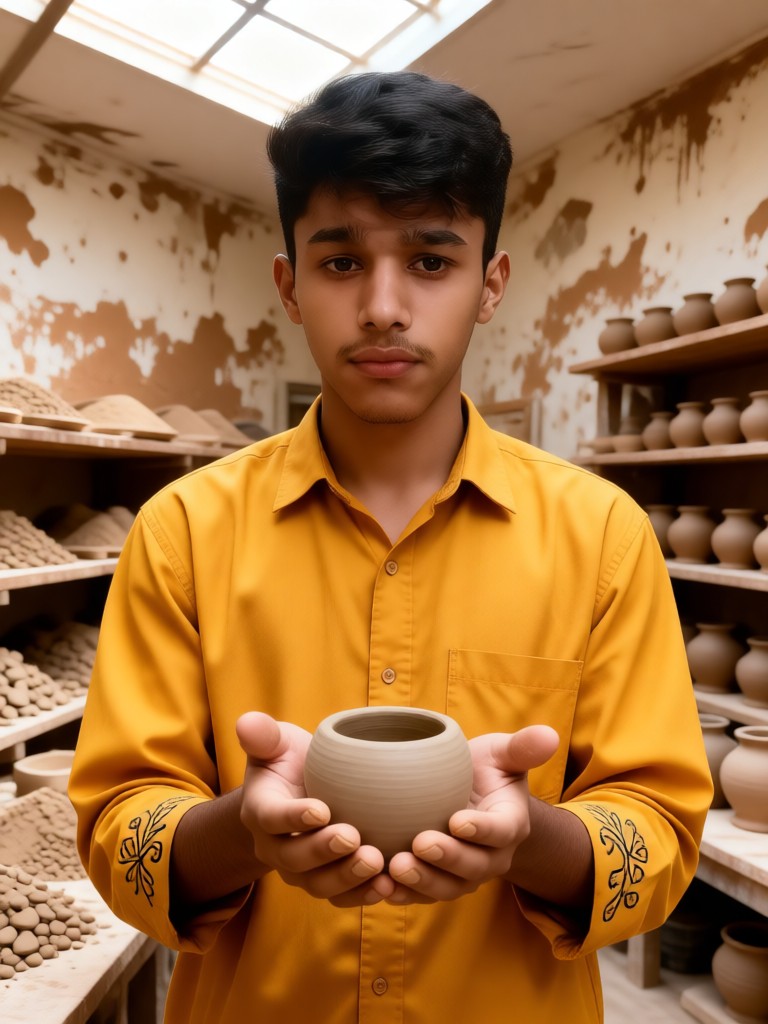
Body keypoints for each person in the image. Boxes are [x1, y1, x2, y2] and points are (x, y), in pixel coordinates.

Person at [69, 71, 713, 1023]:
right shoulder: (184, 532)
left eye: (430, 260)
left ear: (491, 283)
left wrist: (529, 835)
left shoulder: (601, 534)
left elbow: (657, 832)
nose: (381, 306)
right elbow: (122, 824)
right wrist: (242, 830)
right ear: (288, 285)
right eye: (339, 263)